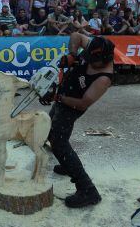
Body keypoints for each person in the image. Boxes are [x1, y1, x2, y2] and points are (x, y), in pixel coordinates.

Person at [41, 34, 114, 208]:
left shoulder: (104, 78)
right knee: (49, 126)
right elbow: (76, 35)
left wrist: (58, 97)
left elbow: (83, 104)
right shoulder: (96, 46)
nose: (87, 61)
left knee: (58, 141)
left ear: (104, 59)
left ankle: (88, 190)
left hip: (72, 105)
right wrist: (72, 54)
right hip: (65, 94)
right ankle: (67, 165)